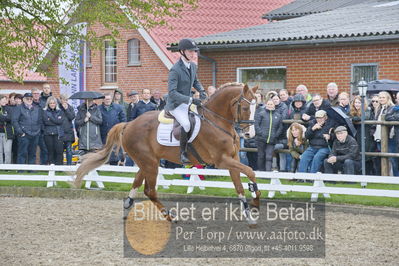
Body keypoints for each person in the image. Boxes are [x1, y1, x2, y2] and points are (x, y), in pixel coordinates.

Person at [164, 38, 207, 164]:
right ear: (182, 52)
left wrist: (202, 91)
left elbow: (195, 81)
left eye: (194, 52)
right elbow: (172, 92)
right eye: (190, 52)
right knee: (187, 124)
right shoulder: (175, 70)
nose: (193, 54)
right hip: (176, 105)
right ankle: (182, 153)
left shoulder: (193, 66)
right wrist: (191, 100)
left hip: (187, 103)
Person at [12, 93, 43, 165]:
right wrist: (21, 132)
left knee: (32, 153)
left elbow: (40, 120)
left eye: (30, 99)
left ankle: (31, 170)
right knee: (22, 153)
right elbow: (14, 121)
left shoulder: (36, 108)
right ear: (23, 99)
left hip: (35, 134)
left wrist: (38, 131)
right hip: (24, 134)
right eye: (27, 99)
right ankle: (21, 170)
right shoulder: (18, 108)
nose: (29, 100)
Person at [254, 98, 283, 171]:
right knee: (261, 156)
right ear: (266, 105)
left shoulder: (278, 115)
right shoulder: (261, 113)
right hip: (261, 139)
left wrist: (276, 135)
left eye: (271, 104)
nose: (270, 105)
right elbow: (256, 125)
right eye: (268, 104)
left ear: (274, 105)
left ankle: (268, 172)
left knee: (269, 157)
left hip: (272, 140)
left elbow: (280, 127)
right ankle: (261, 172)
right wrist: (260, 133)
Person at [99, 93, 126, 165]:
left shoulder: (118, 107)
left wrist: (121, 129)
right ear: (103, 100)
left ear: (111, 99)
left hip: (115, 132)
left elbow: (123, 119)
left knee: (115, 149)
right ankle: (104, 163)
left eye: (109, 99)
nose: (107, 100)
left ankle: (115, 163)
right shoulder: (99, 108)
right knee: (105, 148)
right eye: (106, 99)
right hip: (103, 132)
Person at [42, 96, 65, 165]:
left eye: (53, 103)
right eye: (51, 103)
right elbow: (46, 122)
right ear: (48, 104)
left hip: (58, 134)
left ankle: (59, 167)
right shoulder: (44, 111)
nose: (52, 104)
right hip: (48, 134)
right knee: (50, 151)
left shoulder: (60, 111)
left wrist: (50, 119)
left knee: (59, 151)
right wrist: (56, 120)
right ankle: (51, 166)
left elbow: (60, 121)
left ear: (56, 104)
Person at [59, 94, 76, 165]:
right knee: (60, 150)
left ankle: (69, 165)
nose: (65, 101)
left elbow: (72, 117)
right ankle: (60, 165)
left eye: (66, 100)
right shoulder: (58, 107)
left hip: (68, 132)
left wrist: (66, 109)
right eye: (63, 99)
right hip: (60, 132)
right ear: (60, 100)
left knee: (69, 150)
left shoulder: (70, 108)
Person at [0, 95, 14, 164]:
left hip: (7, 133)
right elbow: (6, 118)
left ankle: (7, 167)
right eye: (2, 99)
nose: (4, 101)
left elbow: (9, 118)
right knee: (0, 151)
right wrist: (4, 117)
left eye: (5, 99)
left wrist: (1, 116)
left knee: (7, 151)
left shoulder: (9, 109)